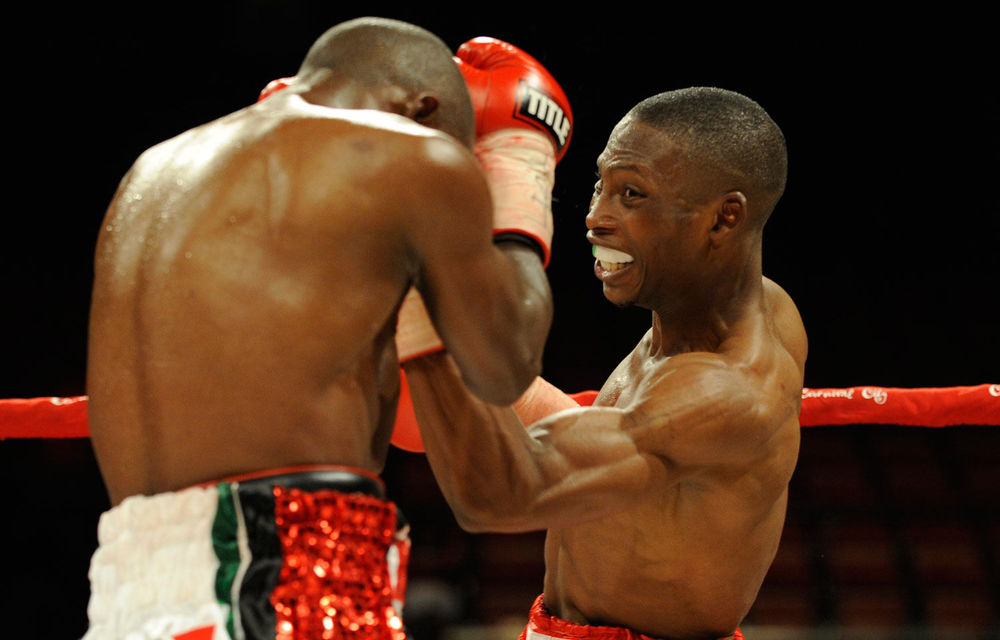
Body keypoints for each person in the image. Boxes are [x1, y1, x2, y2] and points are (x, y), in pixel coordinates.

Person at [83, 17, 572, 640]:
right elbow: (505, 362)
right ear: (419, 109)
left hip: (129, 583)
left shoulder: (153, 170)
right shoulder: (408, 153)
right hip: (287, 563)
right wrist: (515, 163)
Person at [401, 87, 807, 640]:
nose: (595, 216)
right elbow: (606, 443)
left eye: (633, 194)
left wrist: (421, 327)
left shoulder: (729, 391)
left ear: (723, 219)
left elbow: (497, 498)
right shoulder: (732, 308)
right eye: (602, 184)